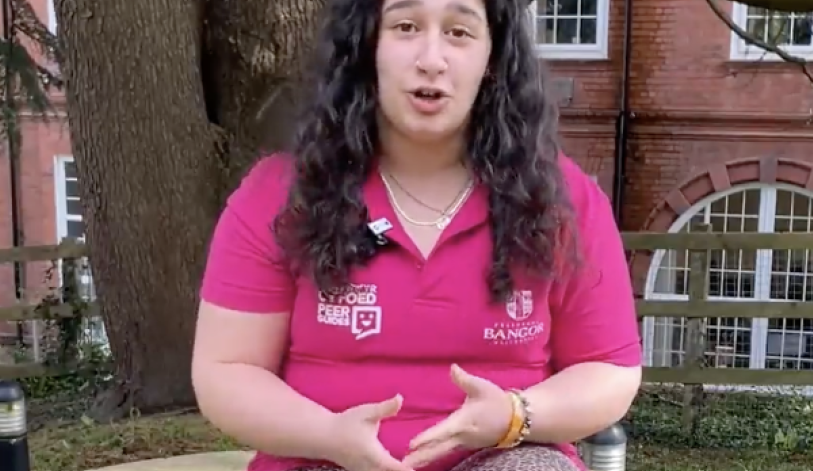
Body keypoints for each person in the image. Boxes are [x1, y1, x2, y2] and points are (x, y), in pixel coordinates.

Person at [190, 0, 642, 468]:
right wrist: (328, 435)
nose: (431, 59)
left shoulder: (561, 200)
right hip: (320, 458)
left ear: (493, 58)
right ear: (368, 47)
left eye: (459, 33)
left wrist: (516, 414)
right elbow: (227, 371)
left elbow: (609, 369)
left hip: (501, 456)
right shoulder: (281, 195)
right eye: (406, 27)